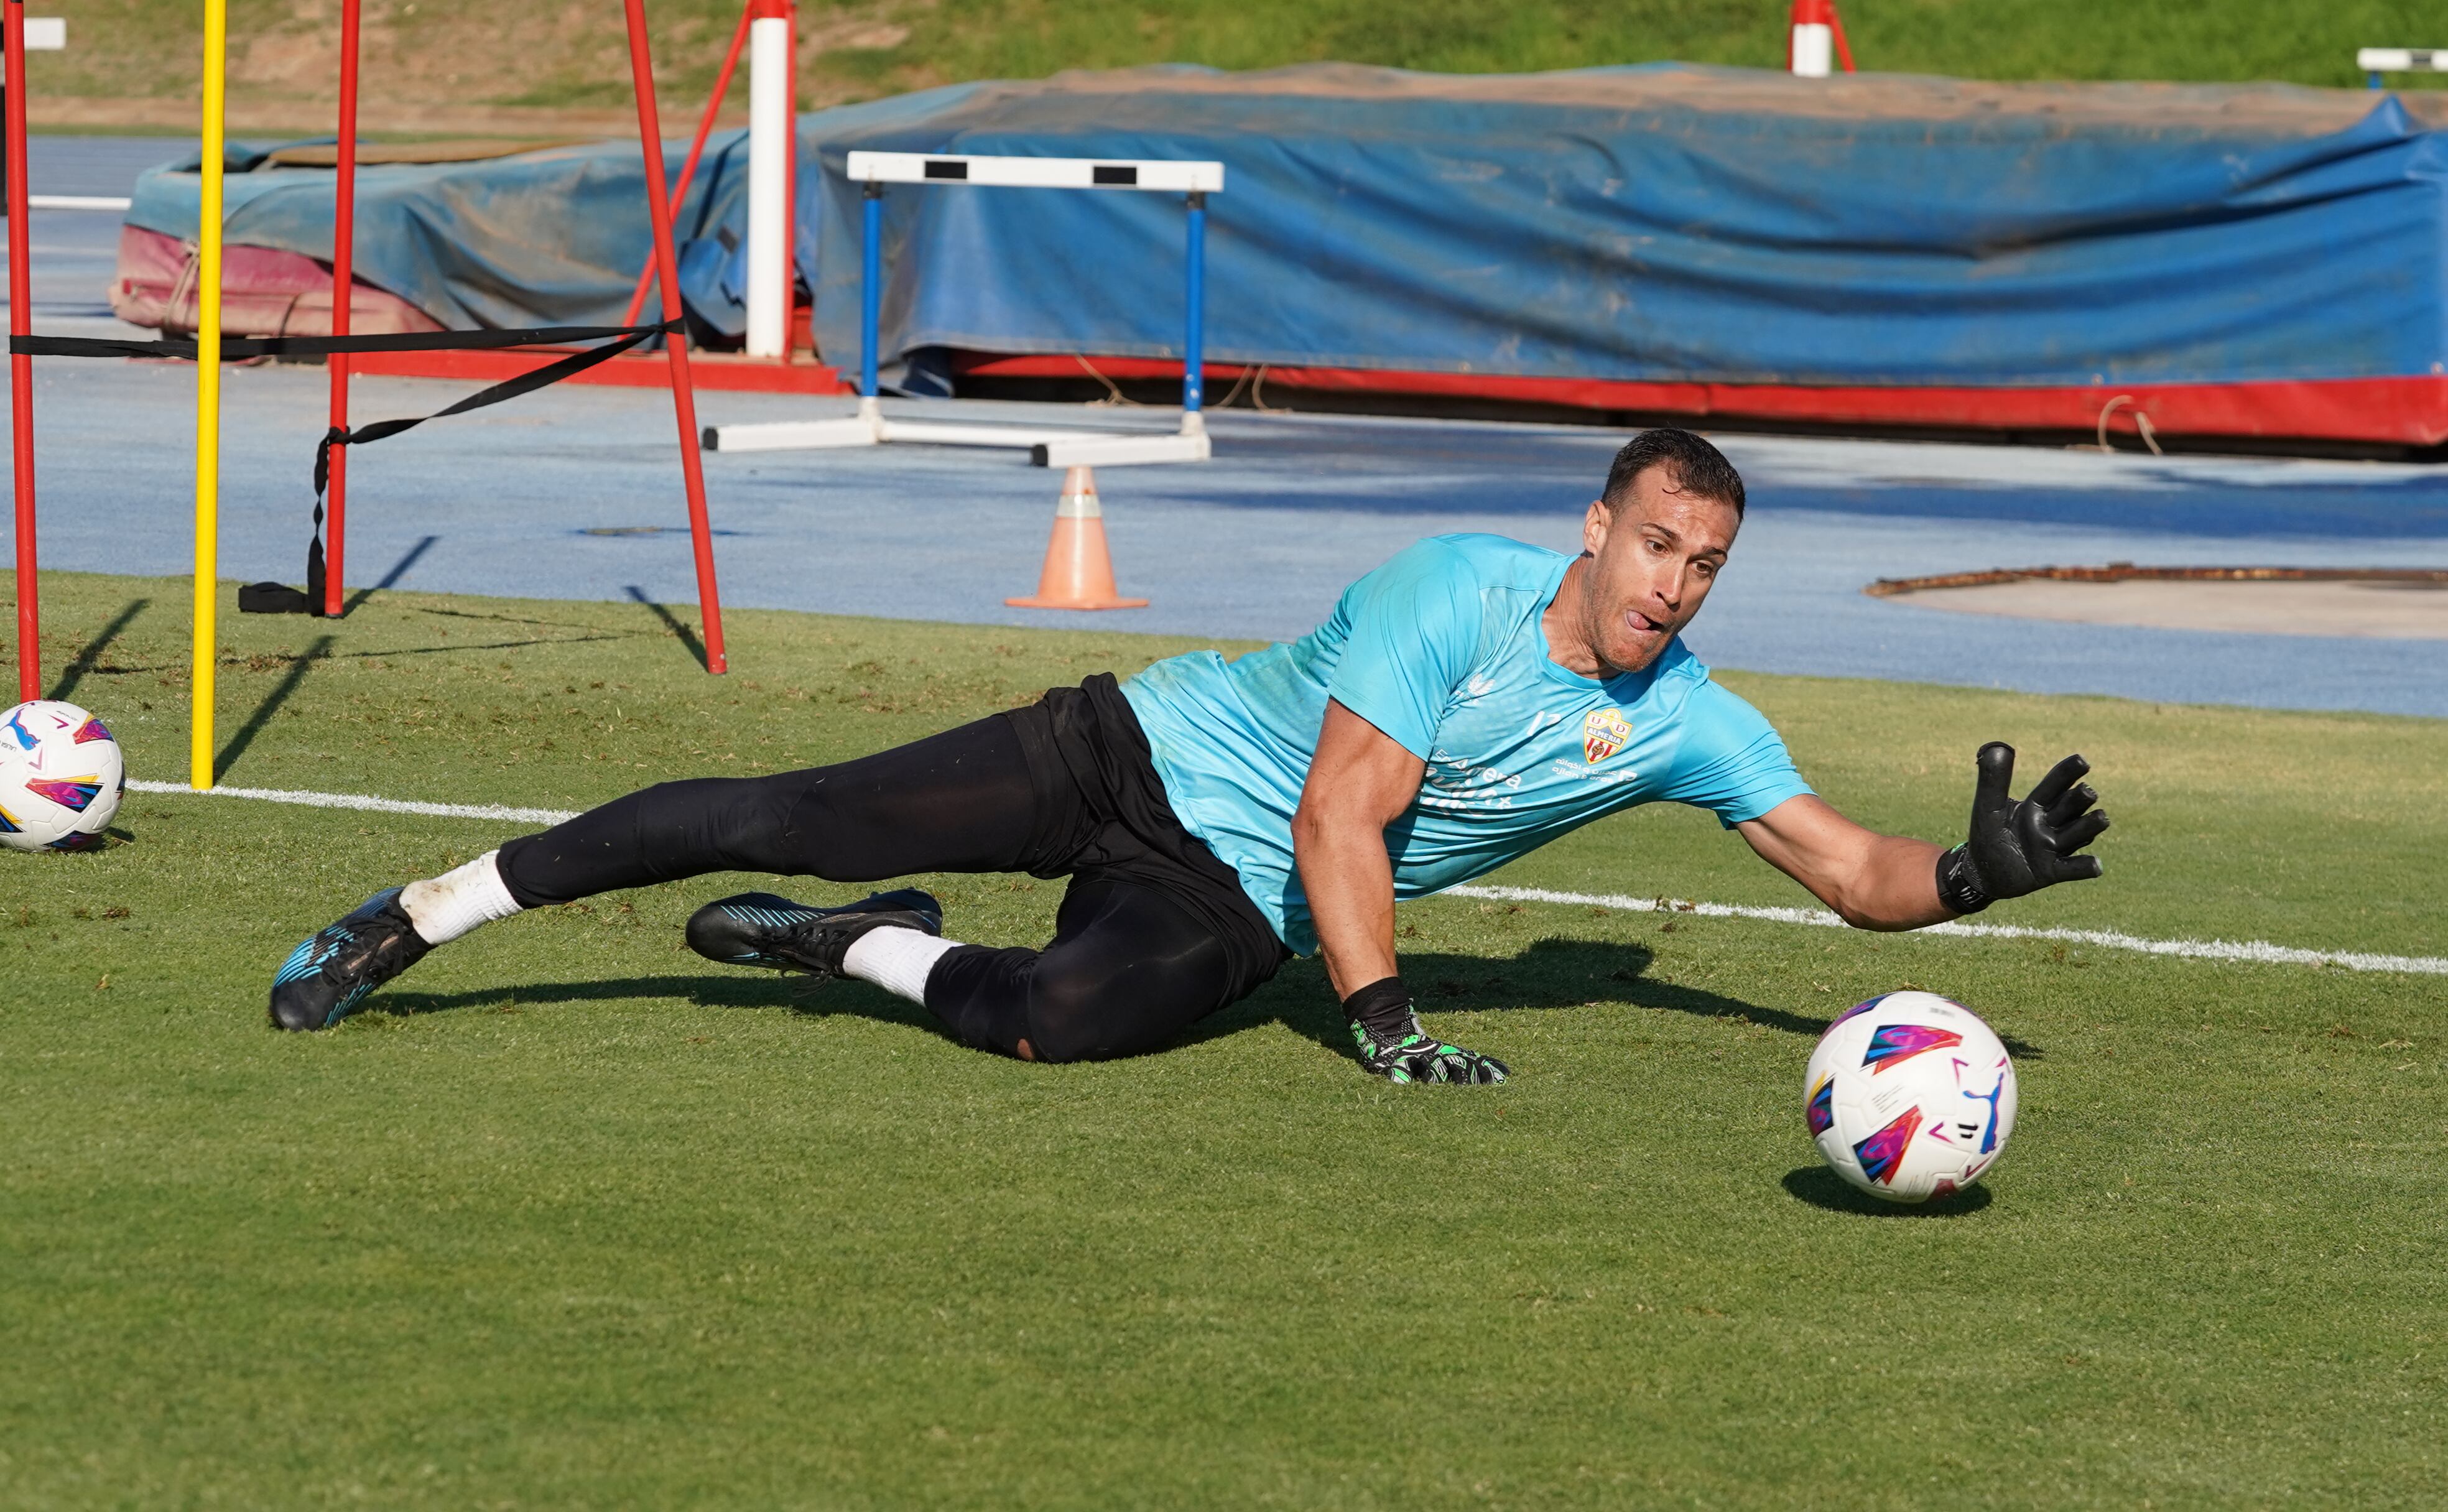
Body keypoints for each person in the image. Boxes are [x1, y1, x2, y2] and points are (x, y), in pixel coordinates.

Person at [269, 429, 2109, 1082]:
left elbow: (1848, 869)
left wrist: (1968, 879)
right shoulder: (1453, 589)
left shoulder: (1693, 717)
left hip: (1227, 903)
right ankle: (424, 916)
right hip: (1135, 757)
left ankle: (845, 943)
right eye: (1654, 545)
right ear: (1595, 525)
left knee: (1054, 1023)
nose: (1674, 586)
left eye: (1705, 566)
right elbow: (1343, 817)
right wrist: (1384, 1021)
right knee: (781, 808)